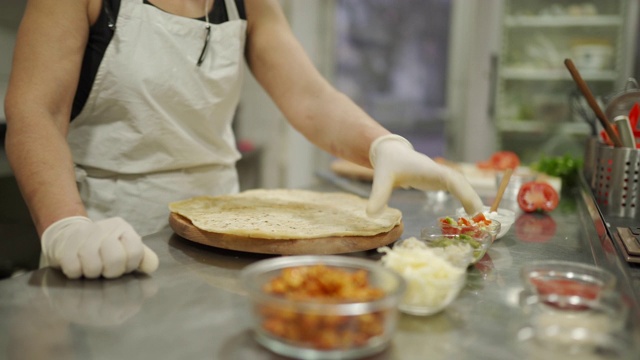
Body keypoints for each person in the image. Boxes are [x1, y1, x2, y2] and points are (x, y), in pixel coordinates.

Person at [4, 0, 484, 280]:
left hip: (221, 240)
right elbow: (34, 112)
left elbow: (310, 98)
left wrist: (385, 145)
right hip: (107, 236)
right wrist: (66, 226)